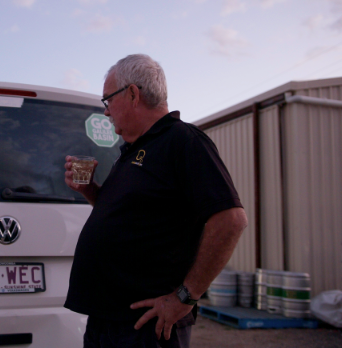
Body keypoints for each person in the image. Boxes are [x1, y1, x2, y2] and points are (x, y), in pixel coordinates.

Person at [63, 54, 248, 348]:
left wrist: (185, 297)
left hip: (146, 327)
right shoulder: (131, 151)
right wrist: (89, 190)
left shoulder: (183, 141)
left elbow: (231, 220)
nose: (107, 113)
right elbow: (124, 218)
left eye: (108, 101)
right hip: (106, 320)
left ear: (133, 94)